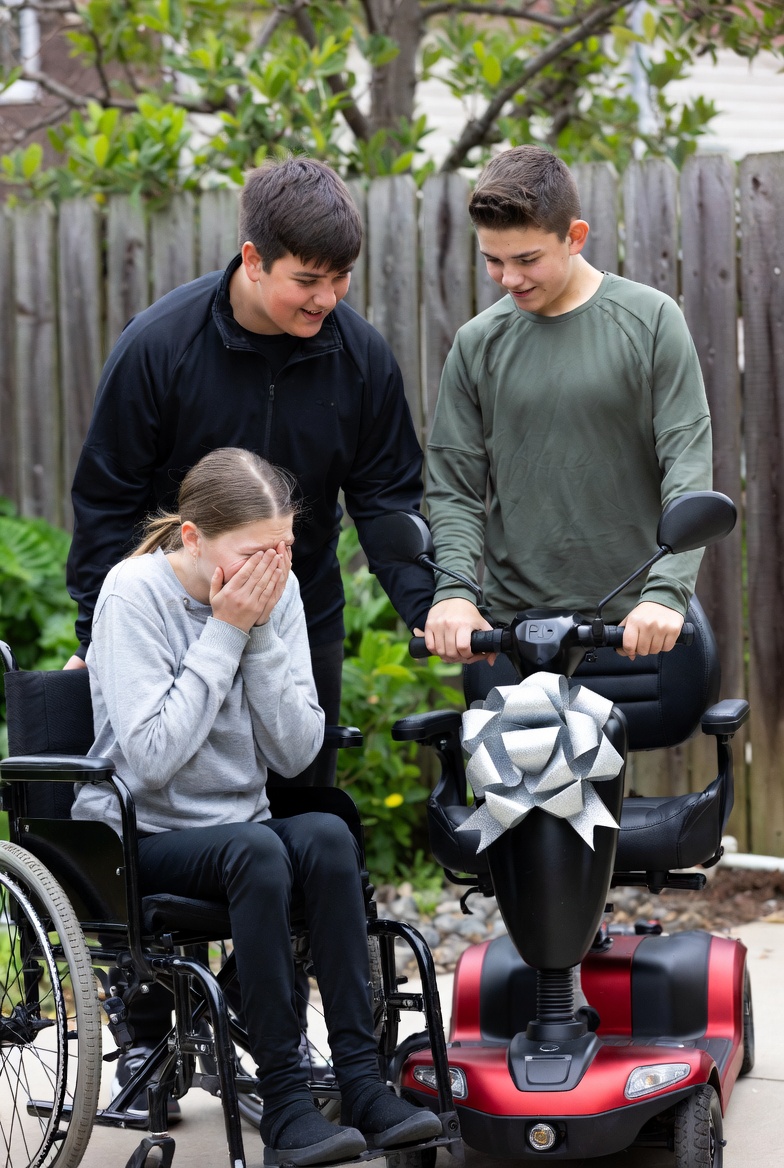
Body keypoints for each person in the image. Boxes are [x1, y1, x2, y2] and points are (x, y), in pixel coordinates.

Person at [64, 156, 434, 1109]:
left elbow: (389, 497)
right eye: (308, 279)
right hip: (167, 608)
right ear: (253, 259)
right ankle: (148, 1039)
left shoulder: (359, 357)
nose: (327, 299)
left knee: (295, 819)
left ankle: (253, 1023)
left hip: (297, 616)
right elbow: (106, 500)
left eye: (341, 279)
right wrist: (97, 631)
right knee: (167, 811)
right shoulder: (162, 347)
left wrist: (427, 606)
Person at [72, 448, 442, 1166]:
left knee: (327, 835)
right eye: (253, 553)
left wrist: (263, 627)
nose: (272, 567)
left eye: (285, 548)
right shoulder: (132, 594)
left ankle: (363, 1085)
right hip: (139, 834)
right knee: (259, 849)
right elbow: (150, 759)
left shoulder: (278, 591)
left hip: (240, 827)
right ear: (193, 538)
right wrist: (227, 630)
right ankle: (286, 1104)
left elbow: (296, 752)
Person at [422, 145, 712, 665]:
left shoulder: (651, 320)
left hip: (636, 624)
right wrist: (456, 592)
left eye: (527, 259)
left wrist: (665, 593)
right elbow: (454, 488)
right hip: (512, 632)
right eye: (493, 260)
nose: (509, 278)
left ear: (574, 237)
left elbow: (687, 465)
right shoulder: (475, 343)